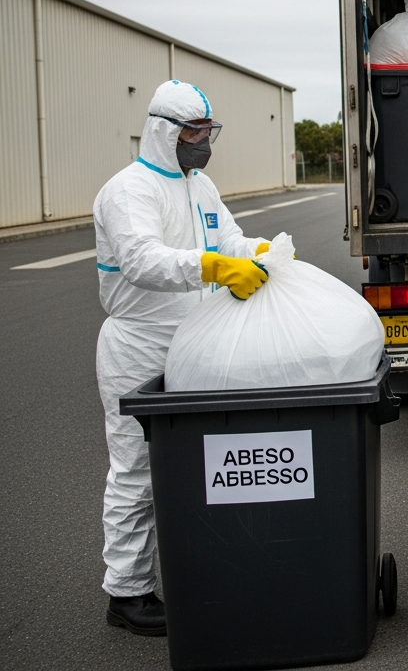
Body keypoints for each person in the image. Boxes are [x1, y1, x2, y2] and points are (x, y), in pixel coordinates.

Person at [93, 81, 270, 635]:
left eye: (207, 132)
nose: (202, 142)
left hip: (198, 339)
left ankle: (208, 570)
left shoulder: (200, 185)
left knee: (208, 463)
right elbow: (143, 261)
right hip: (140, 344)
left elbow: (229, 238)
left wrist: (258, 254)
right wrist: (214, 269)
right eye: (193, 133)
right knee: (138, 472)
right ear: (164, 130)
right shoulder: (129, 191)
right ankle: (128, 593)